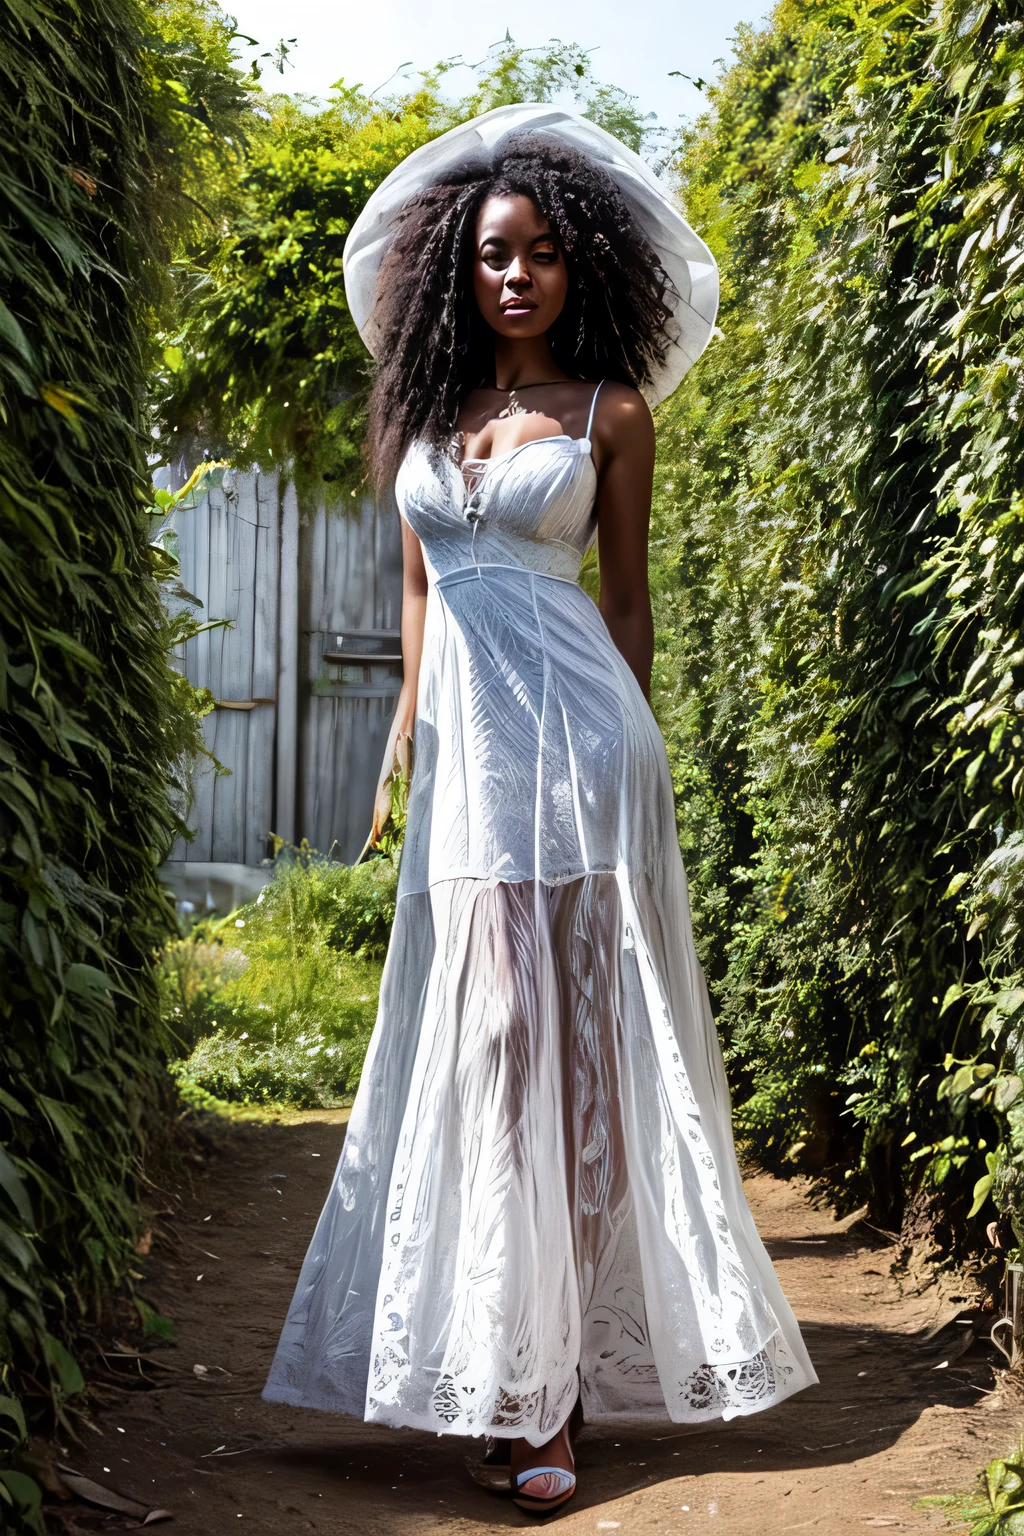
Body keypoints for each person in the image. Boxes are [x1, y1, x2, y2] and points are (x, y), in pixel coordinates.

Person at [263, 103, 817, 1516]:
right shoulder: (423, 416)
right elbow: (416, 591)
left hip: (579, 746)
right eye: (498, 254)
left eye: (546, 256)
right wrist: (402, 731)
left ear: (582, 274)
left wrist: (633, 768)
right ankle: (498, 1355)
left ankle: (552, 1385)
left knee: (569, 1048)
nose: (519, 276)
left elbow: (624, 606)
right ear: (462, 266)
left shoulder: (609, 414)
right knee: (497, 1039)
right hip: (469, 759)